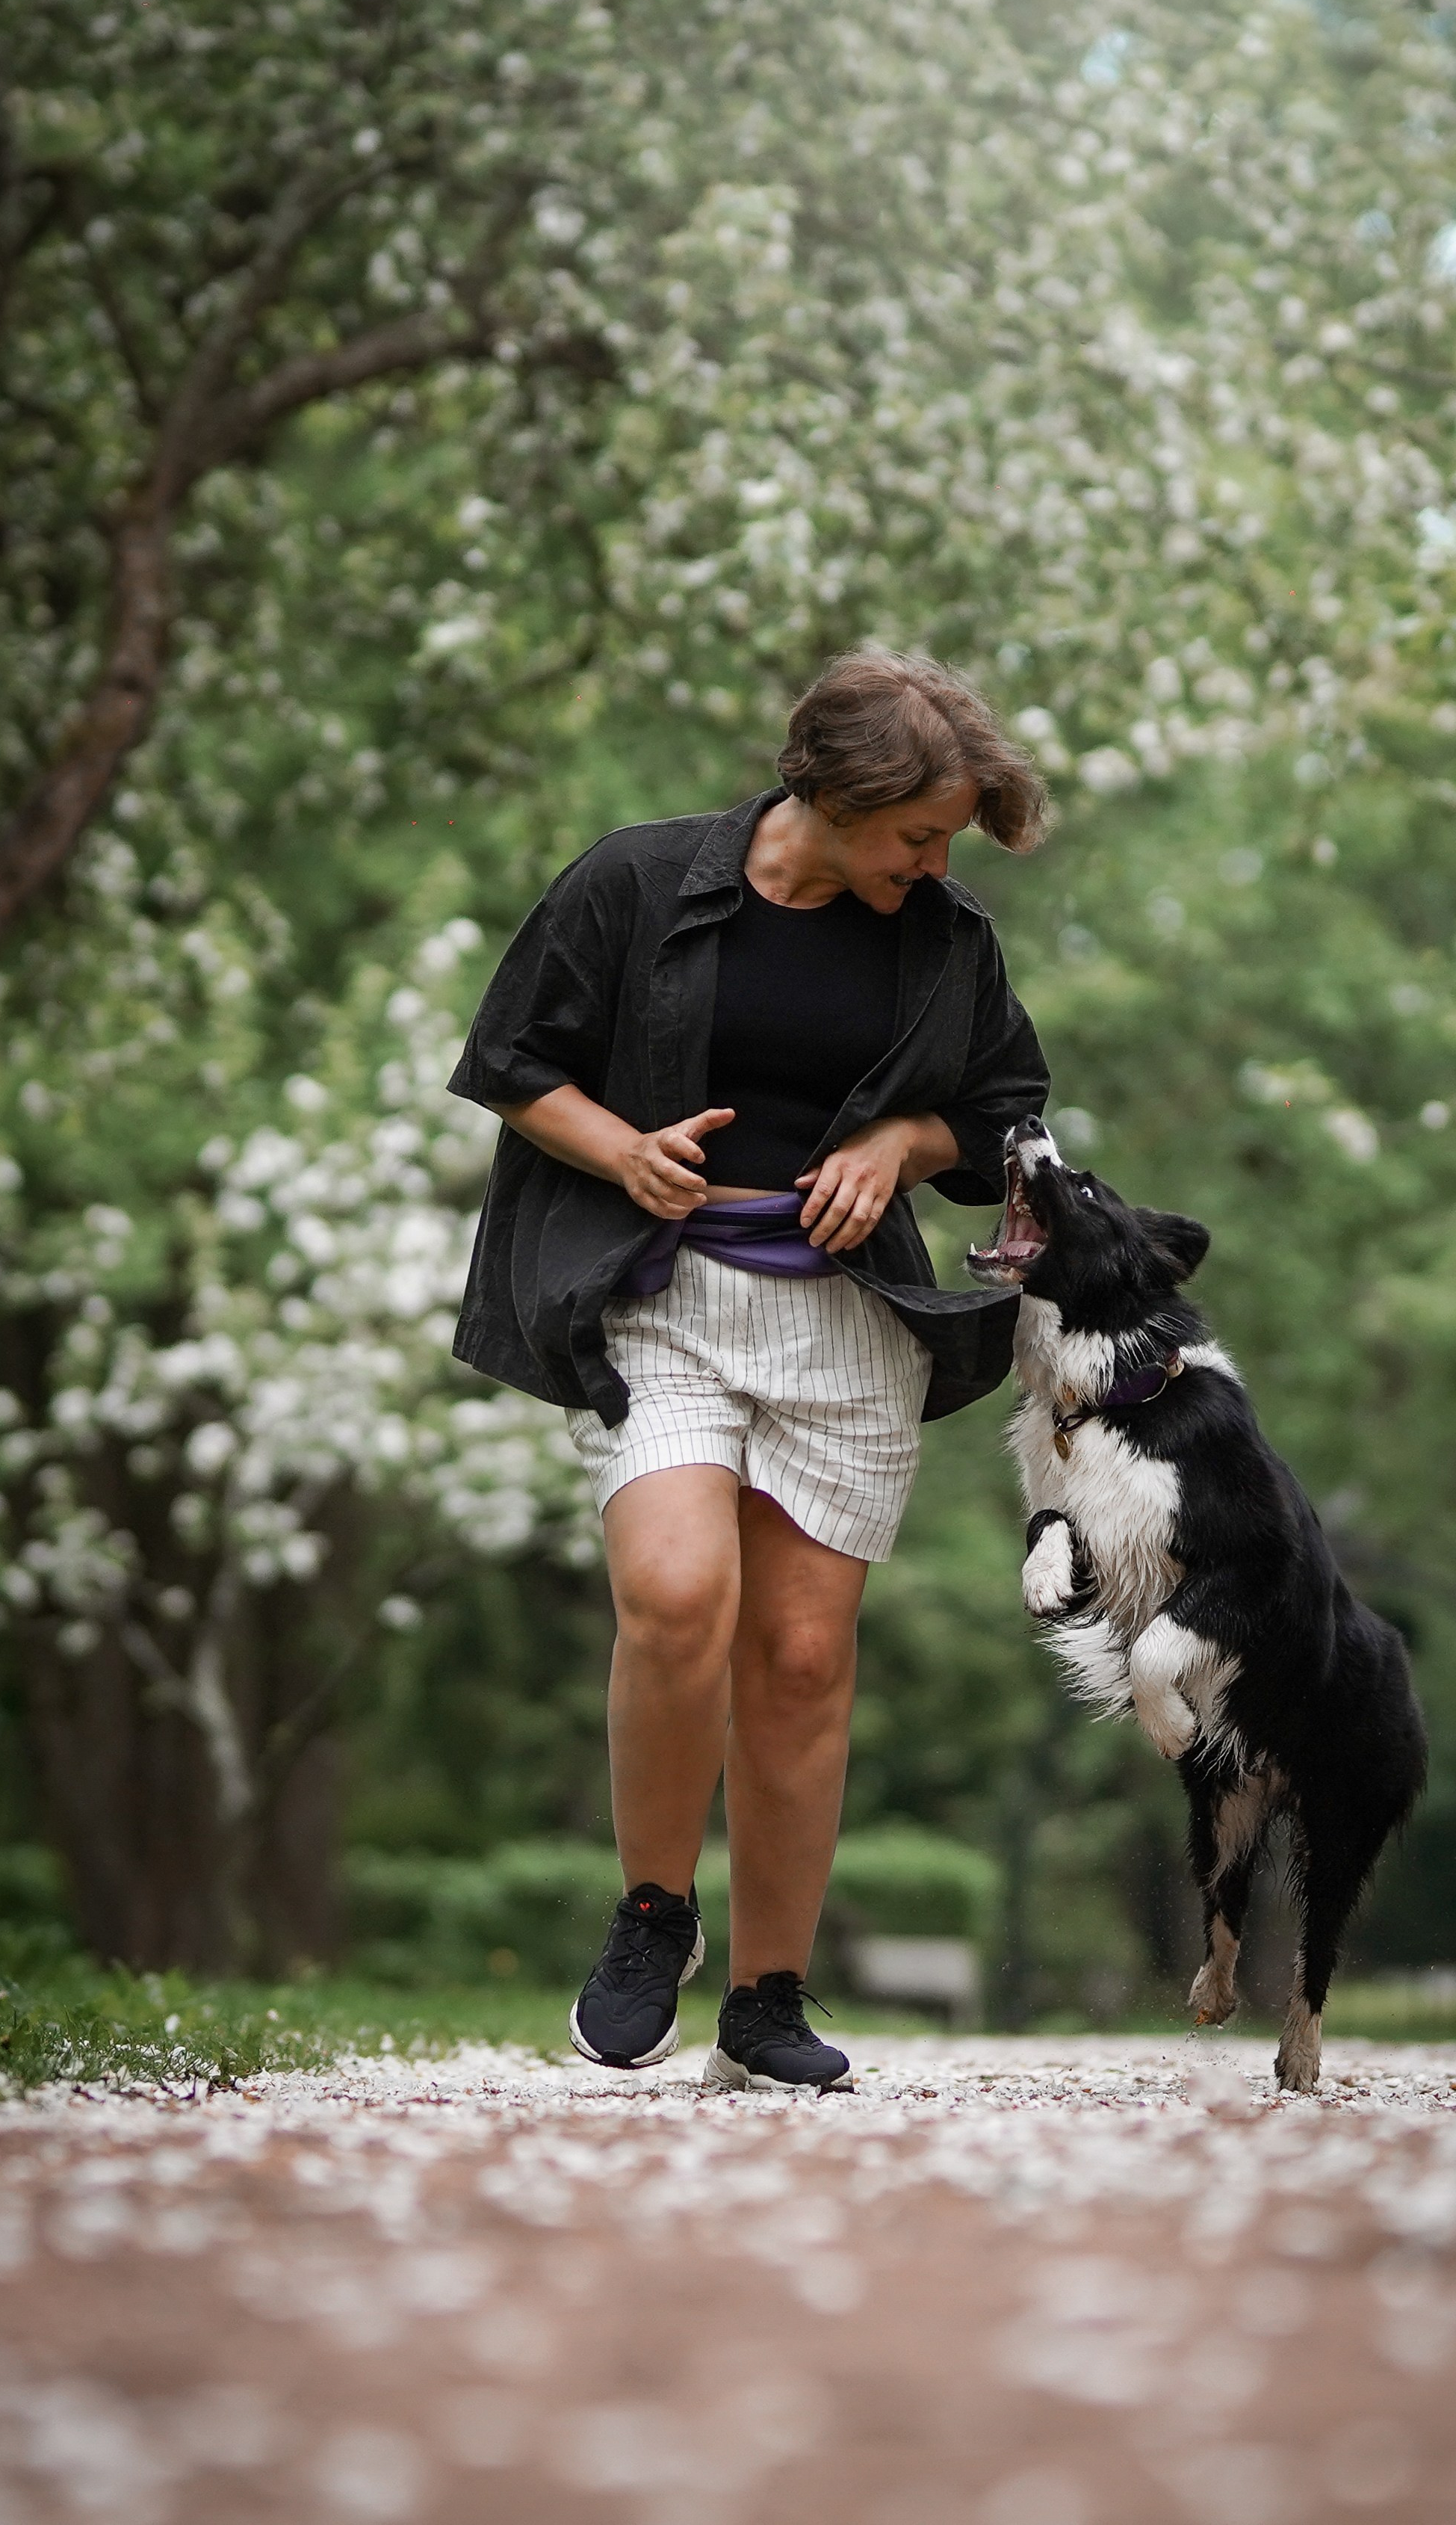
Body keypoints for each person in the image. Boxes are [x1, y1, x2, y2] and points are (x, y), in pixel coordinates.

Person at [447, 649, 1050, 2090]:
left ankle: (768, 2001)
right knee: (674, 1597)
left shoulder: (944, 940)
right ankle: (653, 1914)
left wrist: (899, 1143)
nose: (934, 861)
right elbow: (514, 1058)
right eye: (918, 833)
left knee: (799, 1659)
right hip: (659, 1293)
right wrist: (624, 1151)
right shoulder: (639, 881)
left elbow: (1005, 1111)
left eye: (947, 841)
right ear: (834, 792)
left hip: (845, 1321)